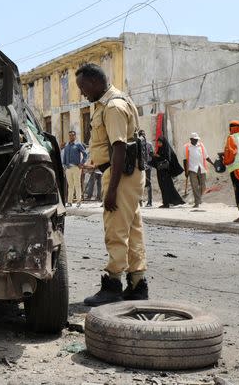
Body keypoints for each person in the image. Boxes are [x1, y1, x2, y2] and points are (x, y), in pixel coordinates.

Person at [75, 63, 148, 306]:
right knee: (132, 230)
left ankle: (113, 284)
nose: (82, 93)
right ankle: (138, 284)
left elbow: (118, 147)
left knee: (116, 230)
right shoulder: (114, 101)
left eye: (83, 87)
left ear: (95, 82)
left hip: (121, 176)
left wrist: (112, 190)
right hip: (128, 174)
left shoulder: (113, 106)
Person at [183, 132, 215, 208]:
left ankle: (198, 198)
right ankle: (197, 202)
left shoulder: (201, 146)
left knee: (203, 186)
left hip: (201, 168)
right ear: (191, 139)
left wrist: (213, 164)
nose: (196, 141)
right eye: (194, 139)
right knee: (194, 186)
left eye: (197, 139)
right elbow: (185, 160)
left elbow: (206, 156)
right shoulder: (187, 147)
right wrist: (186, 171)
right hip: (192, 169)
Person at [154, 136, 185, 208]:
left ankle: (168, 203)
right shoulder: (160, 149)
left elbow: (168, 159)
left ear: (163, 142)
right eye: (158, 142)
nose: (158, 144)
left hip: (166, 173)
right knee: (163, 187)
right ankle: (167, 202)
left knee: (167, 187)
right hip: (160, 172)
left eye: (160, 142)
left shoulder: (167, 150)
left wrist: (158, 156)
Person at [61, 130, 87, 207]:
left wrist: (81, 163)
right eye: (70, 135)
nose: (71, 137)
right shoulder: (67, 146)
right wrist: (64, 166)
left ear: (75, 136)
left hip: (76, 167)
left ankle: (79, 201)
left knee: (77, 185)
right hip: (68, 168)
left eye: (72, 135)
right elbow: (64, 156)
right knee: (70, 186)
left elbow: (85, 154)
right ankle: (69, 202)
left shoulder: (78, 145)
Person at [138, 130, 154, 207]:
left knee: (148, 183)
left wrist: (148, 163)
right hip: (140, 167)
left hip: (147, 166)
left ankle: (150, 201)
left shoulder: (149, 145)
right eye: (141, 135)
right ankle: (140, 201)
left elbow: (152, 154)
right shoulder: (138, 145)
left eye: (143, 135)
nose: (143, 136)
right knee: (139, 184)